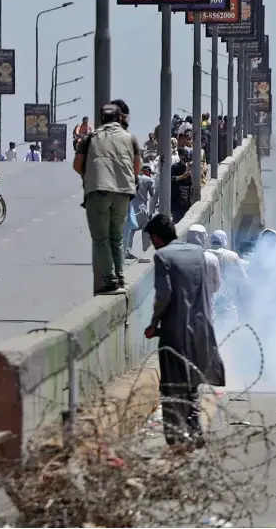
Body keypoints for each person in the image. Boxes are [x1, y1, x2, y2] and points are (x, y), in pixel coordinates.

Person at [144, 214, 225, 446]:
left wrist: (154, 323)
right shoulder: (199, 254)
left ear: (157, 238)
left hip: (176, 332)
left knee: (171, 387)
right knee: (192, 384)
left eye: (152, 239)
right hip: (202, 329)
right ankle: (195, 430)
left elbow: (164, 295)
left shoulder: (162, 256)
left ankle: (175, 438)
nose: (152, 244)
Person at [74, 103, 141, 294]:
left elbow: (77, 164)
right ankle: (120, 277)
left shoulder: (89, 138)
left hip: (98, 191)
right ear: (120, 118)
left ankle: (110, 280)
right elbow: (136, 168)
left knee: (101, 239)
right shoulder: (130, 138)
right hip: (123, 193)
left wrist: (91, 176)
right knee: (117, 237)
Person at [209, 230, 248, 314]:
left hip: (209, 306)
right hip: (228, 306)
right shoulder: (232, 256)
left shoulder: (203, 254)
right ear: (224, 241)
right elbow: (244, 279)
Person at [124, 163, 156, 260]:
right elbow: (153, 194)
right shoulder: (149, 180)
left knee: (131, 229)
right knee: (146, 229)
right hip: (142, 210)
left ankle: (127, 251)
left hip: (131, 209)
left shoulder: (132, 178)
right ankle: (146, 251)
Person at [186, 224, 222, 300]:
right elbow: (216, 286)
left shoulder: (177, 257)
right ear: (203, 239)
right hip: (205, 306)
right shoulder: (211, 259)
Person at [170, 148, 193, 224]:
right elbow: (172, 179)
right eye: (184, 155)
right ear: (180, 156)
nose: (186, 158)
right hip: (178, 200)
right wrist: (183, 176)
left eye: (187, 155)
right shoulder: (174, 167)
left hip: (189, 199)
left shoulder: (191, 166)